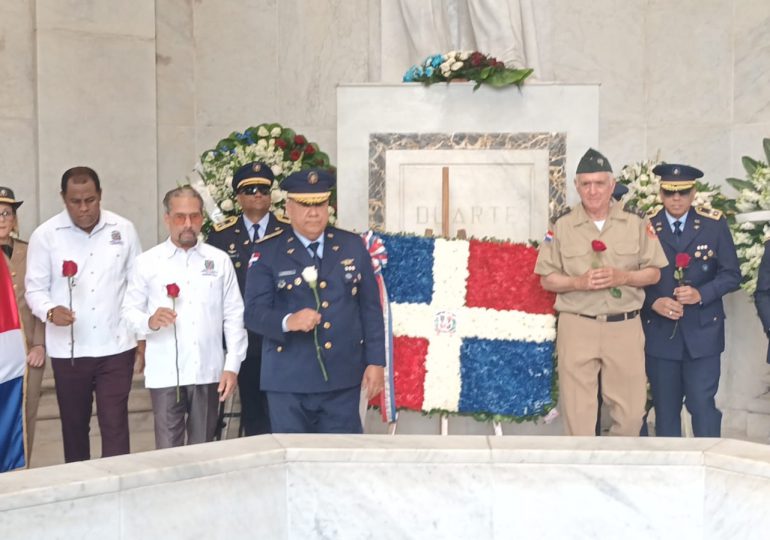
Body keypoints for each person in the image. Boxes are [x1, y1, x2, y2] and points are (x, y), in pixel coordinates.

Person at [534, 148, 668, 436]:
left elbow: (655, 272)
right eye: (586, 184)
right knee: (577, 416)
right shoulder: (562, 225)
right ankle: (584, 475)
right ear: (577, 186)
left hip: (624, 326)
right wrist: (577, 283)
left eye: (599, 183)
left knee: (632, 414)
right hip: (577, 324)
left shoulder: (636, 222)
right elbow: (547, 278)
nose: (592, 191)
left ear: (611, 185)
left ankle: (615, 469)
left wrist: (624, 276)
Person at [244, 169, 385, 434]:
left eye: (319, 204)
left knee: (342, 459)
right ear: (288, 207)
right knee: (295, 461)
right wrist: (288, 321)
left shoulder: (351, 245)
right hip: (289, 380)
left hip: (342, 378)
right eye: (305, 205)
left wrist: (376, 361)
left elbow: (370, 308)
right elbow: (252, 313)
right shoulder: (268, 251)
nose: (313, 212)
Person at [25, 167, 142, 462]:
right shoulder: (46, 235)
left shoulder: (123, 229)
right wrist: (51, 311)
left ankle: (118, 487)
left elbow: (137, 286)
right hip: (69, 349)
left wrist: (141, 338)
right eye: (75, 201)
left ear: (100, 195)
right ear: (63, 198)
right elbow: (34, 290)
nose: (84, 208)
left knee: (115, 423)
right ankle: (79, 487)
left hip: (117, 345)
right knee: (75, 426)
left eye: (90, 200)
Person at [122, 186, 247, 448]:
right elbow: (129, 312)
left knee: (204, 446)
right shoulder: (148, 262)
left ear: (202, 217)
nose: (188, 224)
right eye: (180, 217)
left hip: (208, 370)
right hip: (166, 372)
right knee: (168, 450)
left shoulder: (219, 260)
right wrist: (149, 321)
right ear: (167, 218)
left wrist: (232, 365)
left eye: (194, 216)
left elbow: (234, 315)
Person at [642, 164, 740, 437]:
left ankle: (708, 465)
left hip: (703, 333)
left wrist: (702, 294)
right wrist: (653, 302)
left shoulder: (713, 224)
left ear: (693, 192)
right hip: (660, 334)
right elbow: (631, 277)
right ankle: (670, 473)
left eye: (683, 192)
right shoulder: (646, 225)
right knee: (665, 409)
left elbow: (732, 274)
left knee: (702, 405)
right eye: (669, 192)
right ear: (660, 193)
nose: (676, 199)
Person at [206, 161, 287, 436]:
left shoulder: (286, 230)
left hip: (279, 333)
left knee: (281, 405)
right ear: (238, 197)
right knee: (252, 406)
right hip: (243, 335)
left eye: (263, 189)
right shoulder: (221, 235)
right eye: (250, 190)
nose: (257, 195)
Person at [0, 187, 45, 465]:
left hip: (26, 353)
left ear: (15, 220)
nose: (2, 219)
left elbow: (41, 300)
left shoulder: (30, 253)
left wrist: (39, 343)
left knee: (24, 418)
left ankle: (21, 477)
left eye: (6, 213)